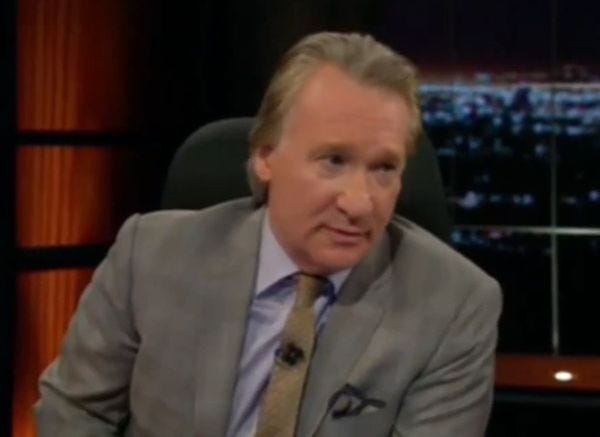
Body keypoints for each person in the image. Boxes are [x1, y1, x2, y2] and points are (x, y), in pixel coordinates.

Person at [36, 32, 501, 437]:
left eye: (384, 168)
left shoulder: (455, 305)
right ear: (265, 156)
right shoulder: (149, 255)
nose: (360, 203)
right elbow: (75, 412)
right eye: (334, 161)